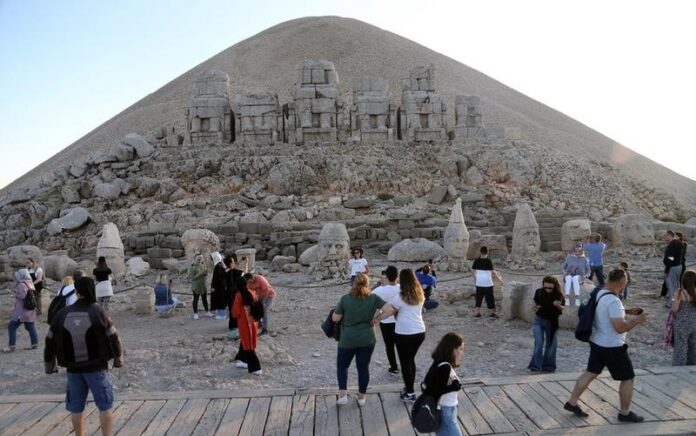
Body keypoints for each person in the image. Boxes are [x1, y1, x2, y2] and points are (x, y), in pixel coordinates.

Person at [564, 269, 648, 423]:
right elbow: (620, 327)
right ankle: (624, 413)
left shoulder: (599, 292)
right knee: (628, 378)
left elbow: (603, 310)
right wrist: (637, 320)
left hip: (597, 341)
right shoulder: (614, 301)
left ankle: (572, 402)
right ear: (622, 284)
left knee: (591, 372)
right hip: (612, 346)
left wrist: (627, 311)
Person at [44, 277, 123, 436]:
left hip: (73, 369)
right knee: (105, 405)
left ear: (76, 291)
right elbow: (114, 337)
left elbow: (49, 341)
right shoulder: (98, 311)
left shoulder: (61, 314)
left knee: (76, 406)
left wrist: (49, 366)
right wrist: (118, 359)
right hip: (97, 368)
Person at [373, 268, 426, 403]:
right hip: (419, 331)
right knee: (410, 361)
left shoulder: (401, 296)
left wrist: (376, 319)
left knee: (405, 363)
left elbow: (389, 311)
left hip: (405, 333)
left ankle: (410, 393)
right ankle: (409, 388)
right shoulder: (419, 293)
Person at [332, 273, 385, 406]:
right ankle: (361, 397)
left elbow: (335, 318)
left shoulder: (345, 299)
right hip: (367, 338)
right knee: (363, 367)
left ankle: (343, 395)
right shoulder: (373, 298)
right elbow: (390, 309)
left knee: (342, 366)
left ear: (354, 283)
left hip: (348, 338)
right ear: (367, 284)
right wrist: (377, 319)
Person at [426, 332, 465, 436]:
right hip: (446, 410)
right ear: (452, 349)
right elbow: (437, 389)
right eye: (460, 349)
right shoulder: (445, 367)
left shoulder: (438, 362)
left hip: (446, 409)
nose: (462, 353)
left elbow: (427, 382)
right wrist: (454, 386)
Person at [528, 276, 565, 373]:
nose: (548, 289)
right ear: (543, 285)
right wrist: (534, 308)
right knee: (538, 343)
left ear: (554, 286)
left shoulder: (558, 294)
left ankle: (549, 366)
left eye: (550, 288)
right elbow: (535, 304)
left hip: (552, 322)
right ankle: (535, 366)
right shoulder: (539, 292)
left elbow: (563, 308)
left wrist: (558, 306)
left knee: (551, 344)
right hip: (539, 320)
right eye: (546, 287)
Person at [372, 265, 401, 375]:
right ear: (397, 276)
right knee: (400, 345)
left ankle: (394, 367)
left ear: (386, 276)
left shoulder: (379, 290)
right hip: (399, 320)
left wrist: (378, 284)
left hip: (386, 321)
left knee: (389, 346)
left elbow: (368, 295)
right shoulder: (402, 288)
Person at [231, 276, 262, 376]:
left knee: (248, 345)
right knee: (246, 342)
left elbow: (235, 313)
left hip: (244, 324)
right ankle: (242, 360)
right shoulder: (251, 292)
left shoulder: (239, 295)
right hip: (253, 322)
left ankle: (256, 368)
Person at [4, 269, 38, 352]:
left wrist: (14, 294)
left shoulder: (22, 284)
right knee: (30, 326)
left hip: (22, 311)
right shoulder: (30, 282)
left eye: (18, 275)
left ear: (22, 275)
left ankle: (11, 346)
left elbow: (22, 296)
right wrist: (16, 291)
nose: (17, 276)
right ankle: (34, 344)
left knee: (11, 326)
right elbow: (26, 294)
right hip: (30, 310)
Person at [470, 246, 504, 317]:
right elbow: (493, 272)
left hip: (479, 283)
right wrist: (500, 280)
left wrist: (475, 278)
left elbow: (472, 270)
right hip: (487, 283)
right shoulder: (488, 261)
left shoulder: (477, 260)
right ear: (487, 252)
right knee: (490, 298)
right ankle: (492, 312)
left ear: (480, 252)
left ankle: (477, 312)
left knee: (479, 297)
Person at [672, 270, 696, 365]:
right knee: (693, 347)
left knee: (680, 347)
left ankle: (679, 368)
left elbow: (674, 309)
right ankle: (692, 366)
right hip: (694, 323)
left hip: (681, 324)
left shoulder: (680, 292)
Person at [225, 254, 247, 337]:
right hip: (235, 293)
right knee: (238, 309)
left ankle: (232, 326)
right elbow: (245, 273)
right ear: (231, 264)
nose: (235, 263)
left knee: (231, 309)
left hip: (229, 293)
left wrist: (240, 261)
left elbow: (231, 268)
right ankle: (238, 326)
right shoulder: (236, 272)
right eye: (233, 262)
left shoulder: (226, 272)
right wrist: (246, 263)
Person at [189, 254, 213, 320]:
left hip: (203, 285)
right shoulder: (193, 267)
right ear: (195, 259)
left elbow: (205, 275)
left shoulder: (203, 265)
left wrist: (205, 274)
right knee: (196, 299)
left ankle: (207, 311)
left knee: (204, 299)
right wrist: (200, 274)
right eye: (198, 258)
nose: (200, 259)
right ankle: (195, 313)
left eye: (201, 258)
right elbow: (191, 278)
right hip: (196, 286)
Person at [663, 230, 684, 305]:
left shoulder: (672, 244)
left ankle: (672, 303)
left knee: (671, 286)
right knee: (675, 285)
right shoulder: (679, 243)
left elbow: (671, 258)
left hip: (673, 267)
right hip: (678, 266)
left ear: (669, 236)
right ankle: (677, 301)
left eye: (665, 236)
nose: (664, 237)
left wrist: (667, 268)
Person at [210, 251, 227, 319]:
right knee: (221, 300)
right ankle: (222, 313)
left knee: (220, 300)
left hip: (219, 288)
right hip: (221, 287)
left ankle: (222, 315)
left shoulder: (218, 267)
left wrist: (213, 286)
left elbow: (218, 278)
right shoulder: (221, 265)